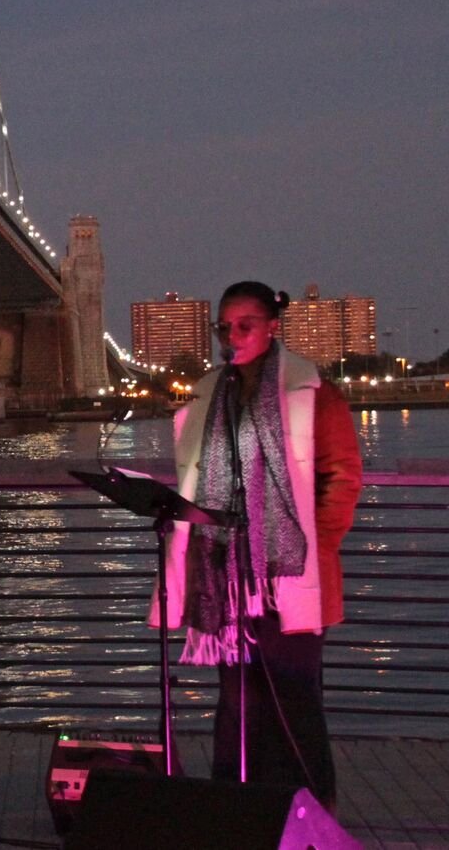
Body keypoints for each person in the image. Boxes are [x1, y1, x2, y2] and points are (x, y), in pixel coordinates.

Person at [152, 281, 362, 809]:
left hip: (290, 577)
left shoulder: (312, 392)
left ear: (273, 326)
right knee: (238, 702)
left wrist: (314, 547)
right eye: (224, 326)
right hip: (225, 575)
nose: (232, 335)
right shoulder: (207, 395)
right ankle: (239, 811)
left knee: (294, 701)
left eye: (245, 324)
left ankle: (311, 814)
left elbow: (343, 476)